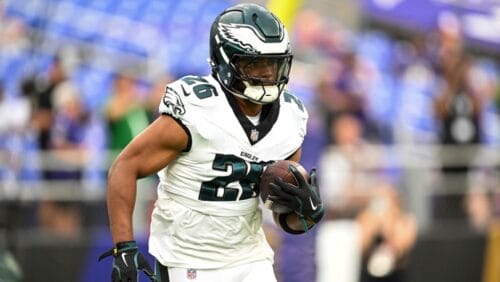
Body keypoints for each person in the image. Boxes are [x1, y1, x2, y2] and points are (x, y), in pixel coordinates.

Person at [98, 4, 324, 282]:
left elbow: (279, 211)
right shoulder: (196, 109)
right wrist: (124, 246)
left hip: (249, 258)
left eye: (275, 63)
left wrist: (306, 212)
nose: (268, 74)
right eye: (257, 64)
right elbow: (124, 167)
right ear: (227, 61)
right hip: (187, 260)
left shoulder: (290, 119)